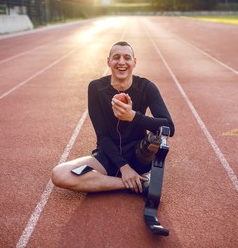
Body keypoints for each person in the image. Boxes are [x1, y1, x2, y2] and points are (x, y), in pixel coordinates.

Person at [51, 41, 174, 194]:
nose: (121, 62)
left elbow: (169, 127)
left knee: (159, 135)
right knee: (60, 174)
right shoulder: (96, 88)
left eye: (127, 58)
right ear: (108, 61)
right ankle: (139, 184)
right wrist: (124, 168)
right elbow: (102, 136)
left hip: (139, 154)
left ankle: (123, 179)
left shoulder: (146, 87)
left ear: (134, 62)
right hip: (108, 154)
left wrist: (133, 116)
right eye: (116, 57)